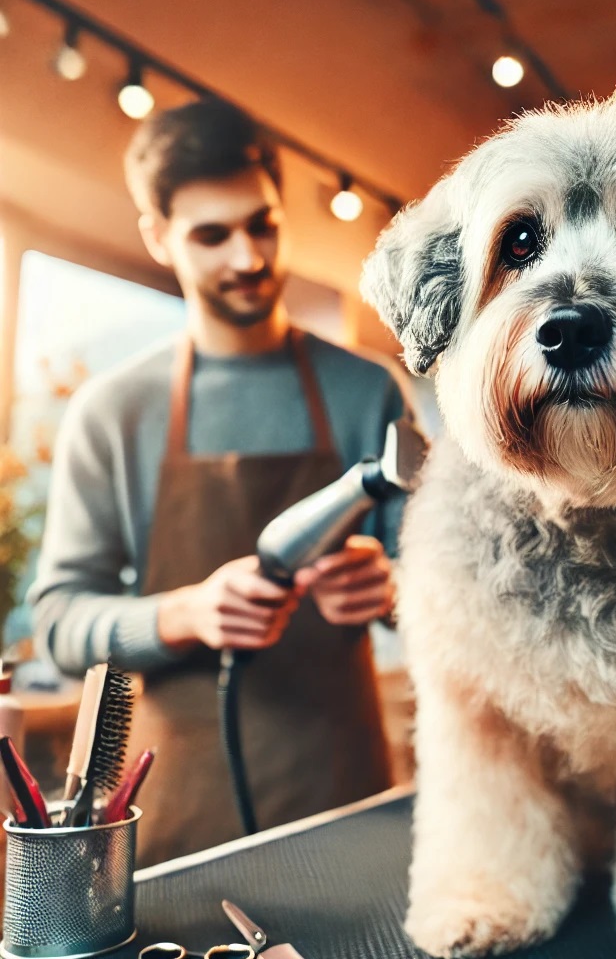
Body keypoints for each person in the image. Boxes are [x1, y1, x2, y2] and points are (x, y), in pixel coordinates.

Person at [29, 99, 409, 866]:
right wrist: (184, 613)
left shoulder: (368, 393)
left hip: (343, 793)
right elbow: (60, 625)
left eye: (261, 224)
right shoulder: (114, 413)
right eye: (212, 235)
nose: (247, 256)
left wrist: (395, 589)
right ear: (159, 236)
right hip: (175, 803)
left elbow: (461, 588)